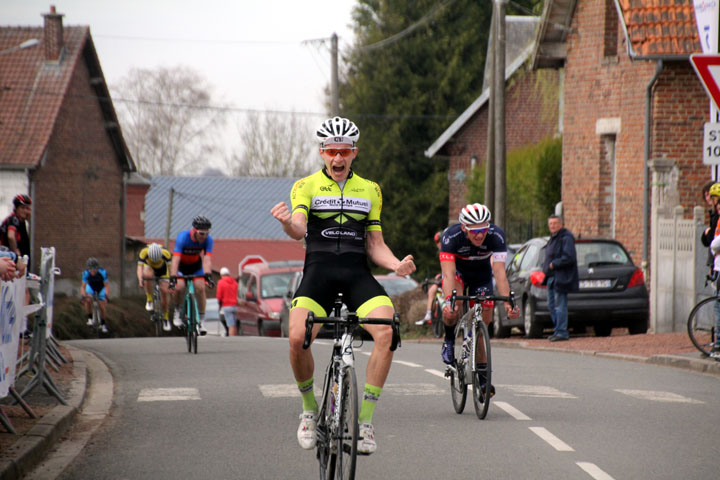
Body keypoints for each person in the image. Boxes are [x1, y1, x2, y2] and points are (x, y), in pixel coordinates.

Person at [270, 116, 415, 455]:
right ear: (322, 152)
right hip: (318, 273)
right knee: (296, 337)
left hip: (356, 275)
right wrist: (287, 225)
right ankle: (308, 411)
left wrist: (397, 264)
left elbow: (375, 243)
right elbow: (299, 227)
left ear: (354, 153)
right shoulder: (304, 186)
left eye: (345, 151)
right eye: (332, 151)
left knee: (386, 330)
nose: (338, 158)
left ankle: (364, 423)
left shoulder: (370, 189)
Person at [440, 203, 519, 397]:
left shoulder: (496, 236)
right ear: (464, 228)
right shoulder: (451, 236)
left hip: (482, 277)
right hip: (458, 274)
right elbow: (448, 274)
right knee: (454, 306)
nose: (479, 235)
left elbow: (500, 273)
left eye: (483, 230)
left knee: (484, 323)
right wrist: (450, 301)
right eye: (475, 231)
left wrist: (508, 302)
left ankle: (483, 377)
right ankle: (449, 339)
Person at [170, 215, 213, 335]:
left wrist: (208, 275)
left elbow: (207, 259)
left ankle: (202, 320)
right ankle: (178, 311)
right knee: (179, 287)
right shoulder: (183, 237)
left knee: (200, 288)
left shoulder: (208, 240)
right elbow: (175, 259)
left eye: (206, 233)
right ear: (194, 230)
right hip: (181, 267)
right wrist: (173, 276)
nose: (204, 236)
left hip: (195, 267)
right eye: (201, 233)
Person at [541, 215, 579, 342]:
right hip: (551, 277)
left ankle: (562, 332)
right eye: (551, 223)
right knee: (551, 305)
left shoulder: (566, 237)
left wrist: (554, 264)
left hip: (561, 277)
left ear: (561, 224)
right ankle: (557, 329)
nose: (552, 226)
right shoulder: (553, 238)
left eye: (555, 223)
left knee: (560, 305)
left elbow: (569, 257)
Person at [137, 242, 173, 332]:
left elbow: (171, 269)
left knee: (165, 291)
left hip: (162, 270)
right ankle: (149, 299)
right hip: (149, 267)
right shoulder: (144, 252)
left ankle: (166, 317)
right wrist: (140, 280)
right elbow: (139, 268)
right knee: (147, 276)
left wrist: (172, 282)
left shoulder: (166, 253)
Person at [0, 194, 32, 276]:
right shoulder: (14, 220)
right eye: (22, 208)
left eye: (27, 208)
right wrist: (16, 253)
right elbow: (11, 236)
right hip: (11, 261)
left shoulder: (21, 222)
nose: (25, 211)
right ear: (16, 208)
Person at [416, 231, 443, 325]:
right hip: (446, 276)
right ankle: (433, 313)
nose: (438, 245)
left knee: (432, 290)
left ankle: (428, 315)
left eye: (438, 242)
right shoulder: (442, 251)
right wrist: (440, 275)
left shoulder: (446, 251)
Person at [81, 257, 110, 333]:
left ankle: (103, 324)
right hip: (91, 287)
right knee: (88, 300)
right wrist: (83, 296)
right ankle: (90, 318)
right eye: (91, 269)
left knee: (102, 306)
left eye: (95, 268)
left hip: (101, 288)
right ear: (88, 268)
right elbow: (83, 287)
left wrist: (106, 296)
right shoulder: (85, 273)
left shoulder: (103, 272)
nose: (93, 270)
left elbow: (106, 286)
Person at [701, 182, 720, 272]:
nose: (708, 199)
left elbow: (712, 239)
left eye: (710, 196)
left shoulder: (716, 216)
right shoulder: (714, 215)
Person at [216, 267, 239, 336]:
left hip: (226, 305)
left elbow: (219, 295)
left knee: (230, 325)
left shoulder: (221, 282)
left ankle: (232, 340)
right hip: (235, 305)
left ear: (221, 275)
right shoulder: (234, 282)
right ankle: (235, 337)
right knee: (234, 324)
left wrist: (219, 304)